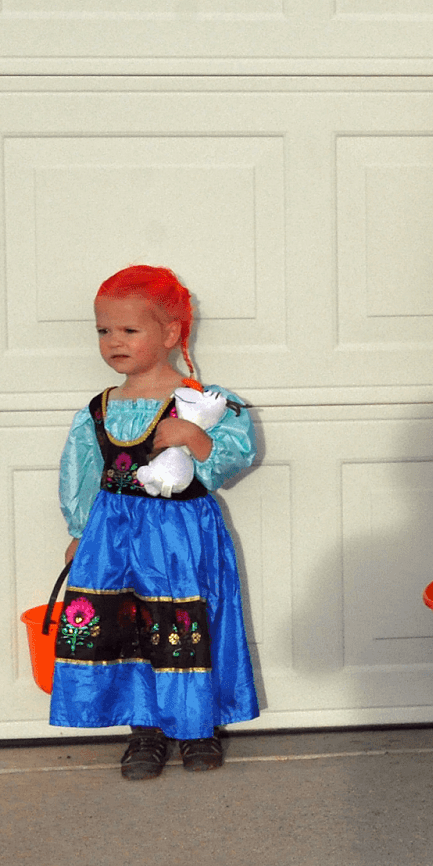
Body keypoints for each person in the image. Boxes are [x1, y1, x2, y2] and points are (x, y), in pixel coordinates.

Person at [50, 265, 258, 779]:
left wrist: (192, 434)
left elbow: (229, 463)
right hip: (114, 542)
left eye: (128, 330)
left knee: (184, 625)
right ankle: (144, 729)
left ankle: (196, 727)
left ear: (170, 333)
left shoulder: (204, 404)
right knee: (131, 627)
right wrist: (80, 531)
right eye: (103, 330)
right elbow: (81, 470)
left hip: (181, 538)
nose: (113, 341)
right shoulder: (99, 410)